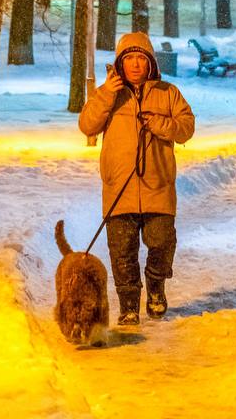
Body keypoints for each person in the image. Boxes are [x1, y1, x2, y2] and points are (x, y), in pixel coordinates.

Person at [78, 31, 195, 325]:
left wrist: (159, 124)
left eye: (140, 59)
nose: (135, 65)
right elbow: (87, 125)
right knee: (122, 252)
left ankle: (156, 288)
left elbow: (186, 127)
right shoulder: (109, 94)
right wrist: (105, 92)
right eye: (128, 59)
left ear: (150, 63)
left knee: (162, 243)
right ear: (120, 63)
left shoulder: (168, 93)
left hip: (157, 185)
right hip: (120, 188)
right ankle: (128, 305)